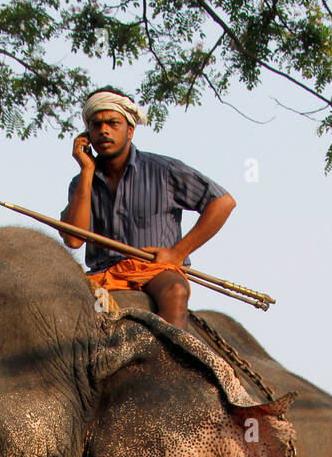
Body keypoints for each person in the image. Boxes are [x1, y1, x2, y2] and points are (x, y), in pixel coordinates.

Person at [61, 86, 236, 329]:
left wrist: (178, 253)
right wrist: (87, 170)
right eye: (95, 124)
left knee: (175, 290)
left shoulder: (164, 170)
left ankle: (174, 365)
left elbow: (223, 202)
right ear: (87, 134)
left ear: (130, 130)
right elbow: (73, 239)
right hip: (102, 277)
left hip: (154, 270)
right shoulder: (81, 183)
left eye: (113, 123)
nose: (103, 130)